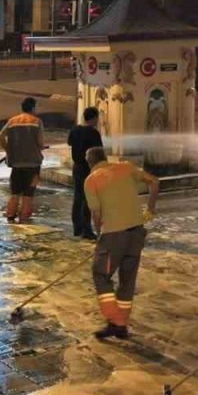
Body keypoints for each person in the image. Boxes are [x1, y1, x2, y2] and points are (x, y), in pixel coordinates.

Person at [83, 147, 158, 339]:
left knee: (101, 274)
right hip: (137, 232)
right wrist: (150, 209)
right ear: (105, 158)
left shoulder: (91, 180)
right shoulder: (125, 168)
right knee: (127, 279)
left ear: (89, 163)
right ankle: (120, 326)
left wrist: (100, 234)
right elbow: (154, 181)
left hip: (114, 236)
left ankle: (116, 321)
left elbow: (96, 214)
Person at [0, 98, 46, 223]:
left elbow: (0, 136)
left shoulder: (12, 121)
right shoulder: (37, 122)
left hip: (16, 162)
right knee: (28, 193)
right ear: (33, 108)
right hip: (33, 163)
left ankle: (10, 215)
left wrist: (8, 150)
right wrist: (41, 147)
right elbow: (40, 142)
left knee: (15, 191)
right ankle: (24, 217)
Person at [67, 107, 104, 240]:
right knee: (88, 199)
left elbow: (70, 142)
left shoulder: (75, 129)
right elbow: (99, 152)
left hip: (77, 167)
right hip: (89, 168)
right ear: (94, 118)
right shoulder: (93, 133)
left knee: (78, 198)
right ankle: (87, 230)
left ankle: (77, 228)